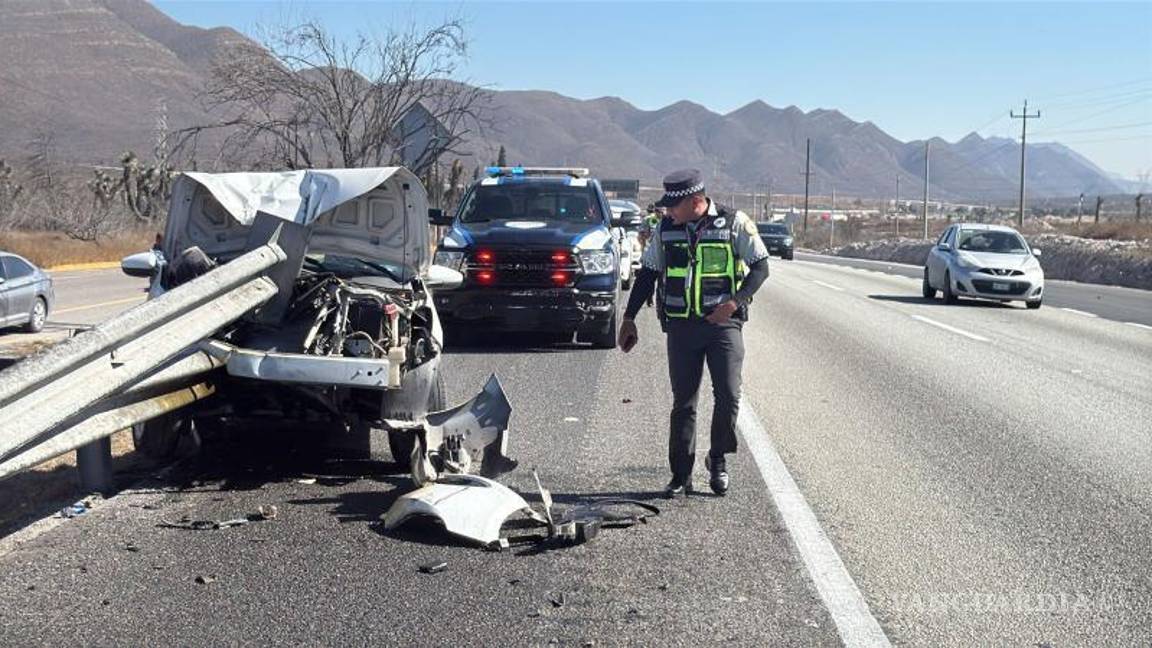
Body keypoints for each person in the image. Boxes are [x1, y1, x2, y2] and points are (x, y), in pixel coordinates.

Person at [618, 169, 771, 498]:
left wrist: (734, 303)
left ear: (697, 201)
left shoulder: (734, 223)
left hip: (723, 325)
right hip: (682, 326)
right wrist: (629, 317)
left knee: (728, 395)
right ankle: (680, 474)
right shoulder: (665, 229)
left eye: (674, 206)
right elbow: (648, 273)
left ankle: (717, 459)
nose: (668, 212)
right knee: (683, 403)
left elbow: (760, 267)